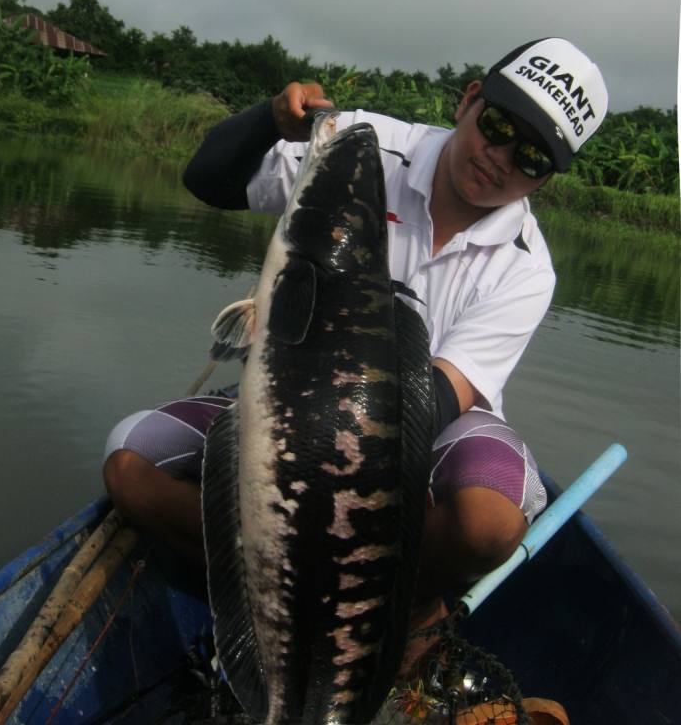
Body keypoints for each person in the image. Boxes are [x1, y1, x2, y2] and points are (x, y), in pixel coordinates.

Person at [102, 36, 608, 671]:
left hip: (433, 424)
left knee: (488, 524)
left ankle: (406, 599)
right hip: (289, 389)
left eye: (531, 157)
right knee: (130, 466)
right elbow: (208, 179)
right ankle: (274, 587)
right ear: (469, 99)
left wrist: (329, 473)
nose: (500, 157)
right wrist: (268, 120)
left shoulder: (528, 268)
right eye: (499, 126)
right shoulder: (354, 146)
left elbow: (446, 393)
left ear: (547, 177)